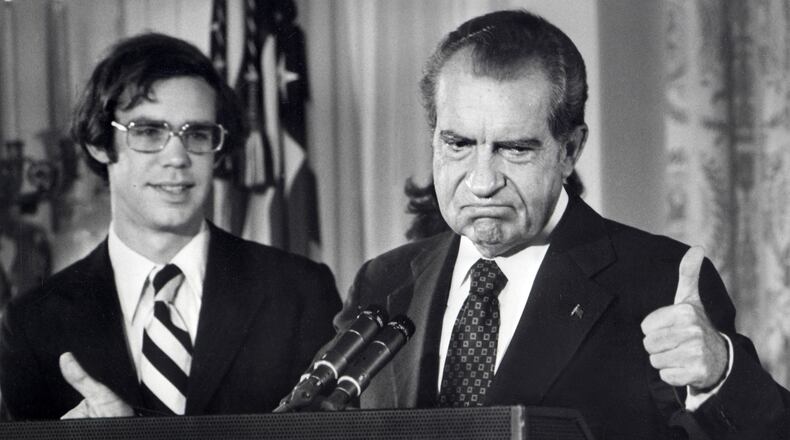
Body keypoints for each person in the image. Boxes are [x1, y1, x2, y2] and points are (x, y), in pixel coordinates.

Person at [336, 10, 789, 439]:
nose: (481, 180)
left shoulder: (659, 283)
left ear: (569, 150)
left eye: (514, 149)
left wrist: (719, 376)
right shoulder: (384, 282)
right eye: (458, 143)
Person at [0, 33, 341, 420]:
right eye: (148, 132)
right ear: (99, 143)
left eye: (196, 134)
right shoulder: (32, 325)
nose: (177, 157)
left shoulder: (299, 292)